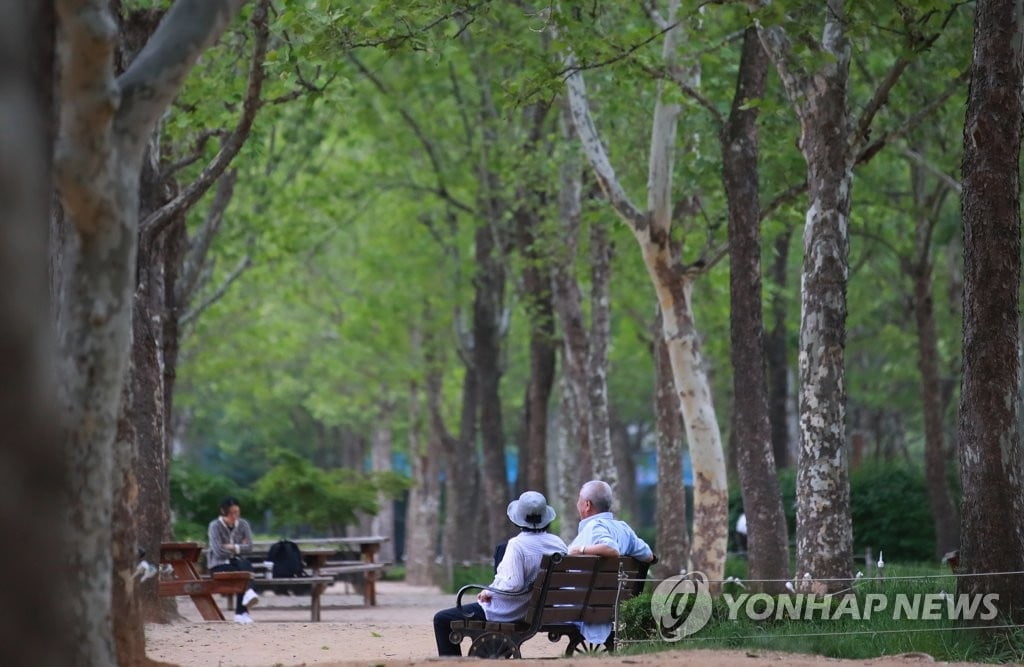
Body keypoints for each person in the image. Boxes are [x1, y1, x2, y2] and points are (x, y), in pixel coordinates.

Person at [433, 491, 567, 656]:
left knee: (442, 619)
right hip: (541, 610)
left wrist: (488, 591)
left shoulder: (517, 545)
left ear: (519, 519)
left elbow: (514, 584)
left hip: (510, 611)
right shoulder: (558, 544)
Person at [567, 480, 654, 645]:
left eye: (579, 498)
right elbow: (648, 555)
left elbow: (611, 548)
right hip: (611, 606)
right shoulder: (623, 528)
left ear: (587, 505)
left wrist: (580, 550)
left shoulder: (594, 527)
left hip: (582, 609)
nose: (576, 502)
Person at [207, 496, 260, 623]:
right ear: (223, 512)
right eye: (231, 513)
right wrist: (240, 547)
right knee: (243, 573)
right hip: (218, 565)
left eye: (237, 512)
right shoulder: (214, 526)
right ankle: (242, 610)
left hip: (238, 562)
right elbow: (218, 551)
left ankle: (242, 611)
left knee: (245, 567)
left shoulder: (243, 524)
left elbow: (250, 547)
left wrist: (233, 547)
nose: (234, 516)